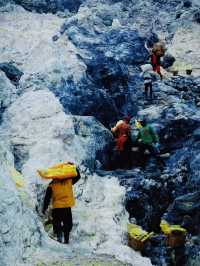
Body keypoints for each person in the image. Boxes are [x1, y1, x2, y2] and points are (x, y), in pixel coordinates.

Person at [42, 166, 81, 244]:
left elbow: (47, 198)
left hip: (57, 208)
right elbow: (78, 176)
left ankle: (59, 235)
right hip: (66, 207)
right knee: (68, 224)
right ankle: (66, 239)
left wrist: (44, 208)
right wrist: (74, 167)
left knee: (56, 223)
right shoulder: (68, 181)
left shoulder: (52, 184)